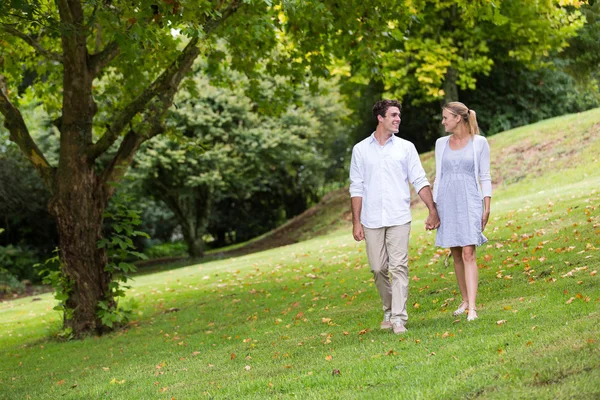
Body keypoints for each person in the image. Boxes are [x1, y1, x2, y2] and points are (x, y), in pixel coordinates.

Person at [349, 99, 440, 335]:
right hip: (371, 219)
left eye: (399, 115)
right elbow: (356, 187)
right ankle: (389, 308)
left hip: (399, 216)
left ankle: (399, 318)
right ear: (380, 118)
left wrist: (432, 209)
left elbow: (419, 179)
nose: (398, 119)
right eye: (393, 115)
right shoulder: (360, 149)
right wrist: (356, 221)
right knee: (378, 268)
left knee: (399, 267)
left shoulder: (406, 148)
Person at [433, 101, 492, 321]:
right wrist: (434, 210)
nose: (443, 121)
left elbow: (484, 176)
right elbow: (438, 178)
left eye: (446, 117)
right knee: (456, 253)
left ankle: (473, 307)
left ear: (458, 118)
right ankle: (465, 299)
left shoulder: (479, 143)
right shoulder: (441, 144)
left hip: (470, 200)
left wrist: (487, 207)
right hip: (447, 201)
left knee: (469, 251)